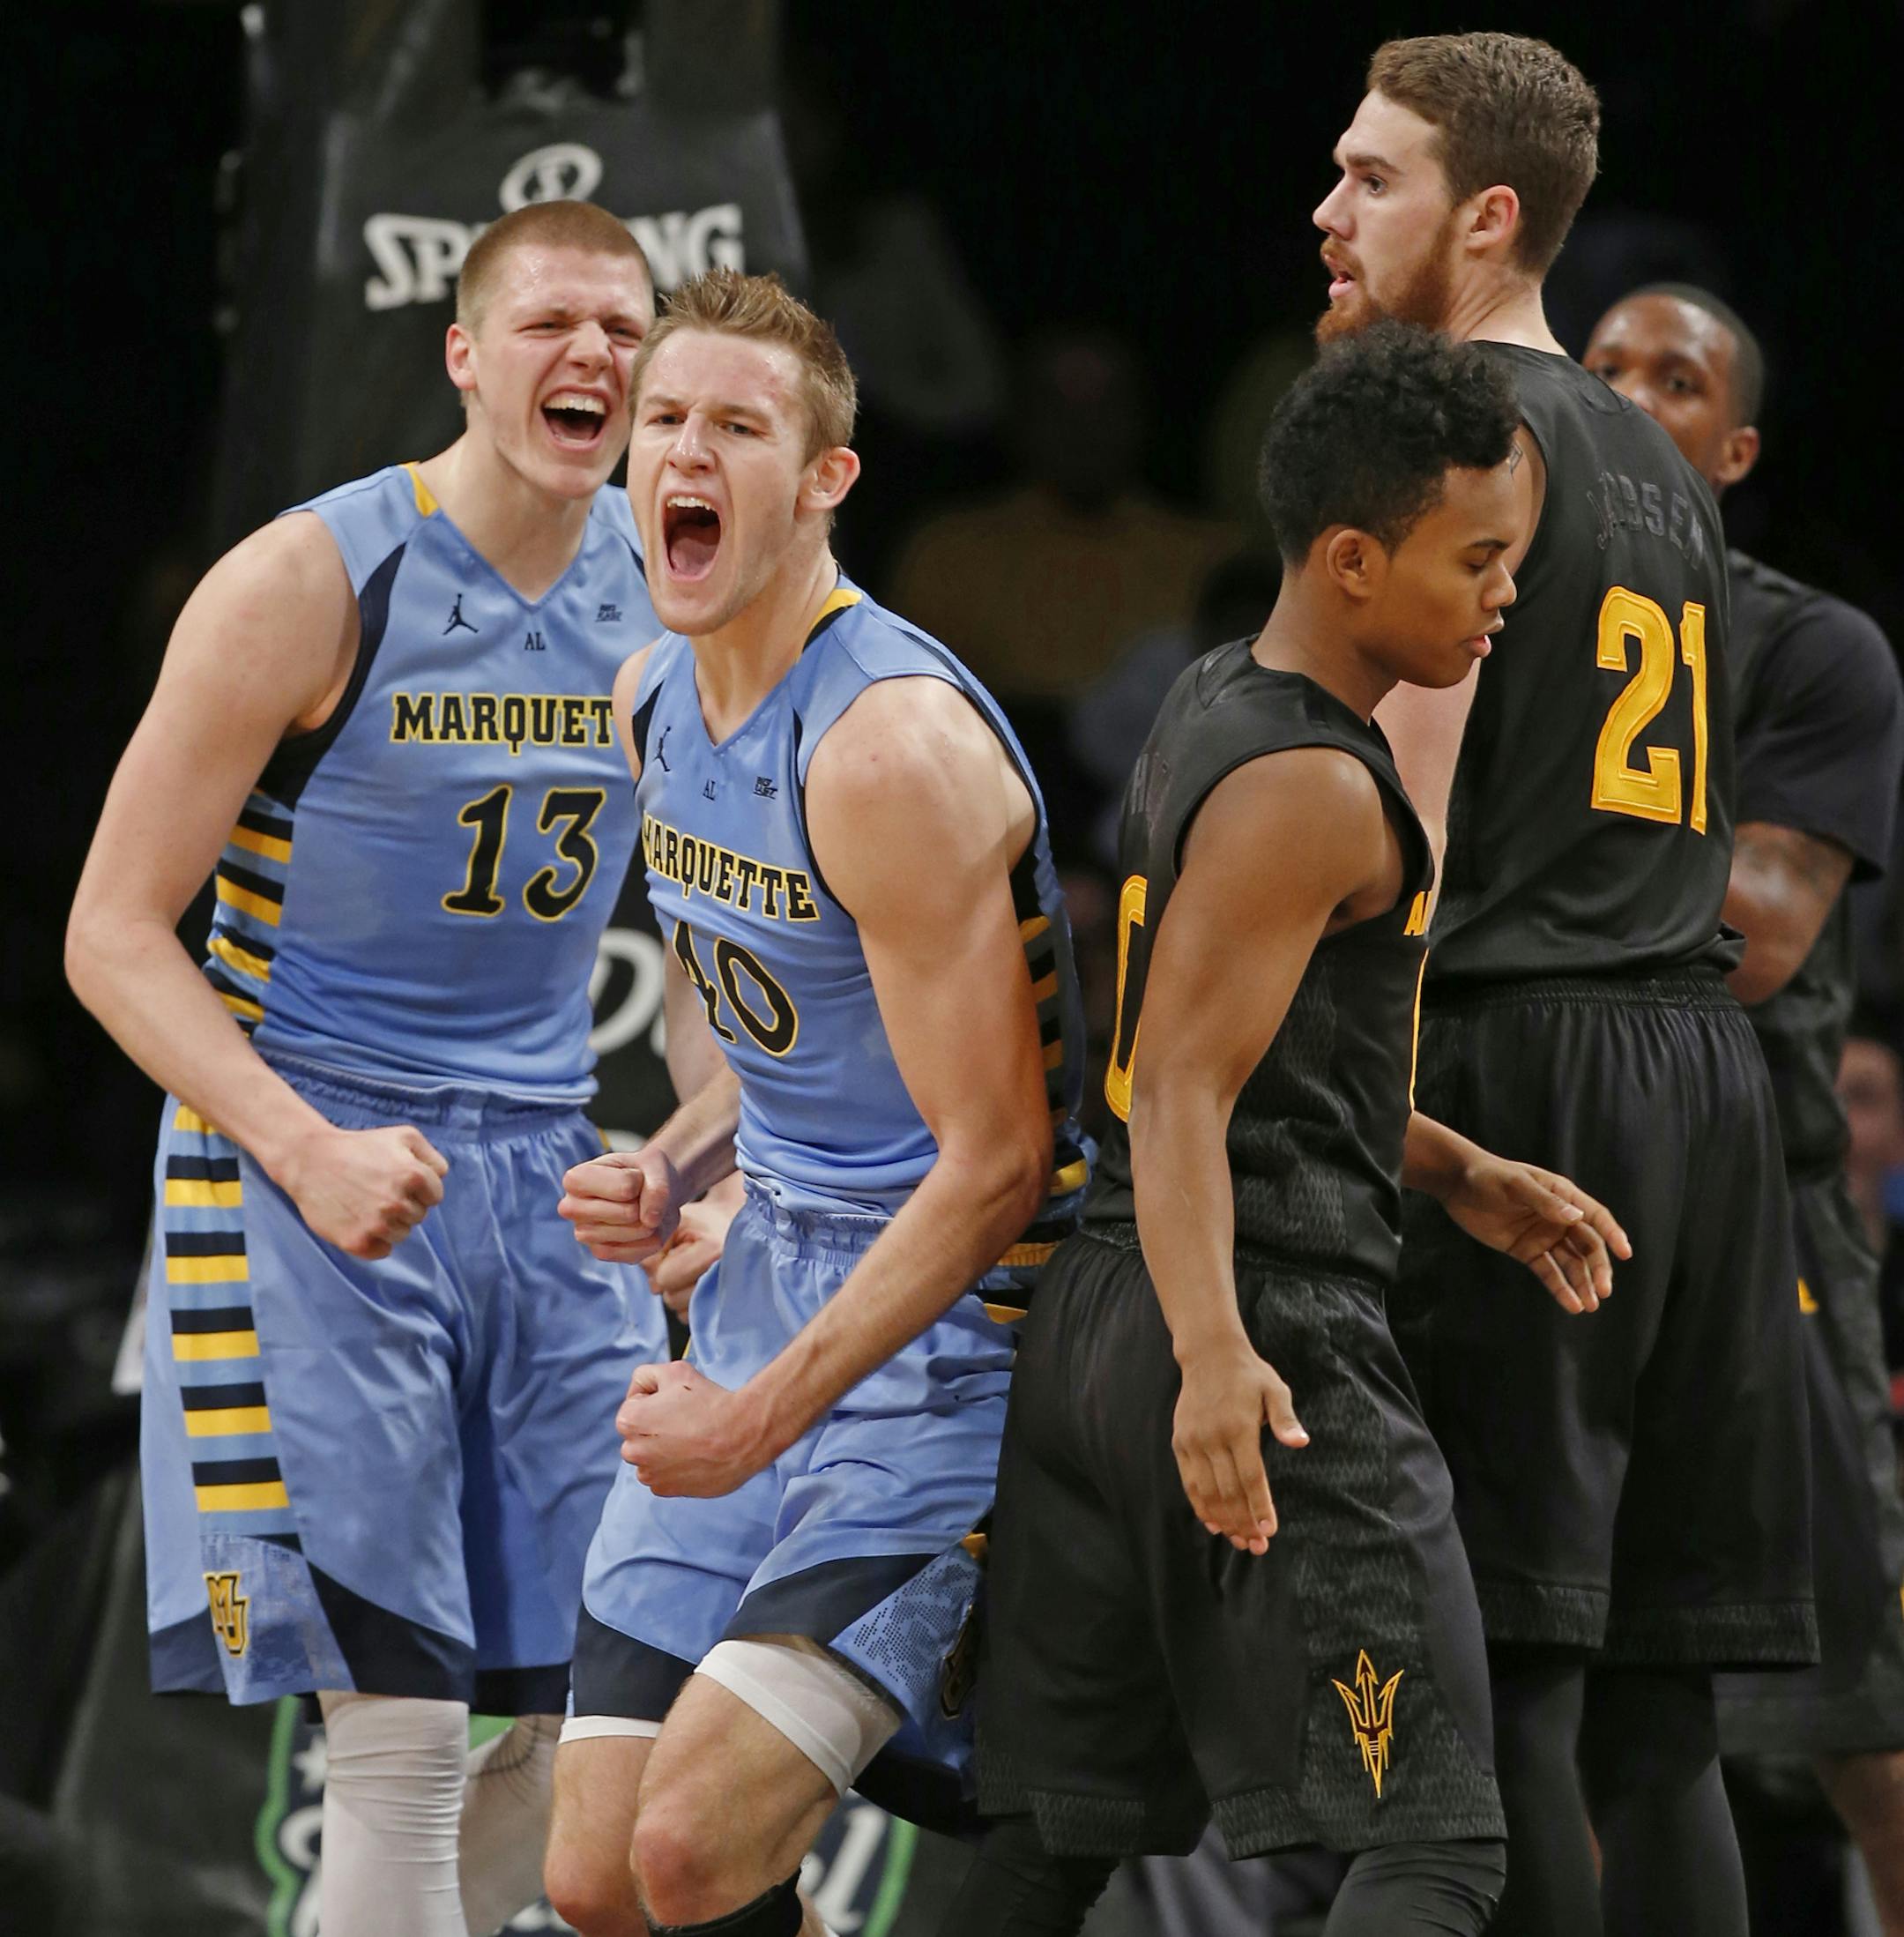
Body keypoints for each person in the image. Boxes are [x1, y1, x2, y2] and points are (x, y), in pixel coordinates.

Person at [944, 322, 1633, 1937]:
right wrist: (1214, 1353)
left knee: (1049, 1847)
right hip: (1253, 1327)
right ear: (1349, 558)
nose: (1503, 594)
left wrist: (1456, 1167)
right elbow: (1179, 1079)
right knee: (1440, 1840)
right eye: (1476, 558)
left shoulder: (1210, 699)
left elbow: (1255, 1052)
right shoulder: (1316, 786)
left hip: (1111, 1318)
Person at [64, 199, 666, 1937]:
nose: (595, 360)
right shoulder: (311, 578)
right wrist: (305, 1147)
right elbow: (110, 930)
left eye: (626, 331)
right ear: (465, 355)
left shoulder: (670, 589)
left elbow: (705, 928)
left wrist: (704, 1154)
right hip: (312, 1160)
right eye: (554, 323)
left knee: (590, 1702)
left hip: (548, 1176)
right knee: (394, 1724)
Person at [1312, 34, 1815, 1937]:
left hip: (1531, 1064)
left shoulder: (1455, 428)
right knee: (1659, 1714)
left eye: (1371, 178)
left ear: (1488, 213)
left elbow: (1401, 848)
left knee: (1502, 1668)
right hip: (1703, 1077)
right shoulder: (1665, 473)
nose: (1330, 210)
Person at [539, 269, 1089, 1937]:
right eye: (662, 422)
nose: (682, 452)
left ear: (826, 477)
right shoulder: (653, 695)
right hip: (769, 1268)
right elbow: (736, 986)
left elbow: (1002, 1162)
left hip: (956, 1328)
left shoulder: (885, 750)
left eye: (737, 426)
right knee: (595, 1877)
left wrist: (756, 1413)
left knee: (694, 1849)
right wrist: (683, 1148)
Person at [1585, 284, 1904, 1929]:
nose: (1635, 394)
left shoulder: (1810, 647)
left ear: (1737, 445)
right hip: (1542, 1205)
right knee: (1566, 1689)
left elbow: (1759, 937)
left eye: (1678, 377)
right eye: (1605, 368)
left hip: (1759, 1222)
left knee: (1870, 1717)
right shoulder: (1474, 630)